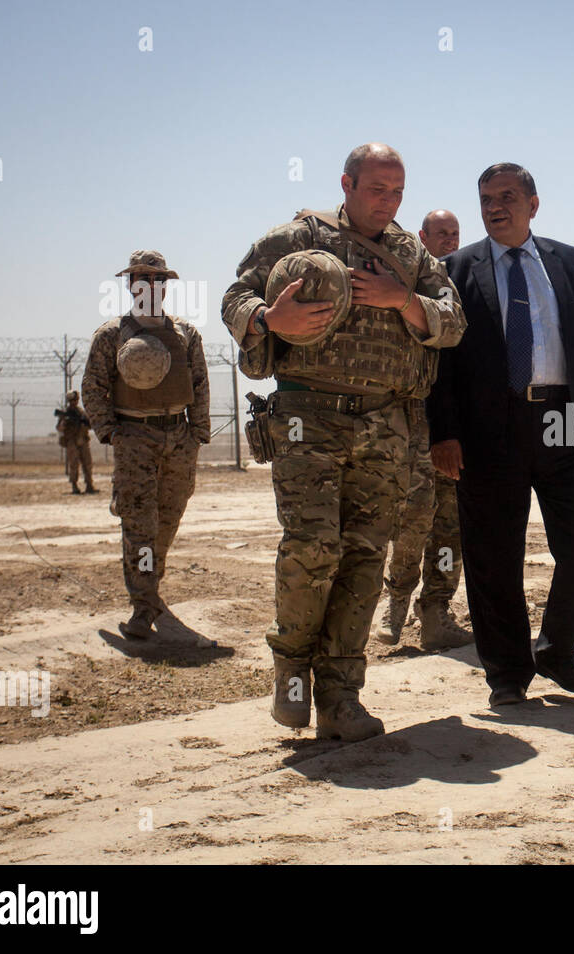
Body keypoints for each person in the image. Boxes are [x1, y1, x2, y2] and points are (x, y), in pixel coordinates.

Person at [221, 143, 465, 741]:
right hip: (308, 416)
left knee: (363, 555)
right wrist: (267, 321)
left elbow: (452, 321)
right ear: (347, 184)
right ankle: (292, 680)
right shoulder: (297, 239)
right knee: (311, 548)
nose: (389, 202)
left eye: (398, 192)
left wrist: (400, 299)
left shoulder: (409, 254)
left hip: (387, 424)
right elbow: (235, 298)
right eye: (378, 189)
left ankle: (340, 696)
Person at [428, 163, 574, 708]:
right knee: (494, 556)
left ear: (533, 205)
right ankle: (507, 674)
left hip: (567, 419)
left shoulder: (569, 261)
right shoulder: (455, 269)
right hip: (489, 430)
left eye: (508, 197)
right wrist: (442, 433)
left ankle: (558, 649)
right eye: (487, 199)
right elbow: (439, 361)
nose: (496, 207)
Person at [82, 250, 210, 639]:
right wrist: (112, 432)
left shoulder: (185, 334)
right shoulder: (112, 335)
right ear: (130, 285)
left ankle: (150, 585)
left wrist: (197, 433)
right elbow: (93, 389)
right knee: (139, 523)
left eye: (158, 280)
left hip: (178, 437)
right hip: (135, 437)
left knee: (167, 521)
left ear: (165, 287)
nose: (150, 286)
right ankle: (142, 604)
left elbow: (201, 384)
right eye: (142, 279)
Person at [380, 209, 472, 651]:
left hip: (454, 432)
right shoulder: (404, 289)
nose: (451, 240)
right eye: (442, 233)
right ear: (422, 237)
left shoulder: (460, 292)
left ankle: (436, 611)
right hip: (409, 428)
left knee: (451, 528)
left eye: (455, 233)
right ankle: (396, 600)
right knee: (411, 521)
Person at [57, 390, 96, 494]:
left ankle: (89, 485)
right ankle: (74, 486)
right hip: (72, 441)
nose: (74, 402)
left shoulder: (82, 413)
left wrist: (85, 423)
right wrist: (65, 423)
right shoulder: (66, 413)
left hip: (83, 440)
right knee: (74, 464)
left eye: (75, 400)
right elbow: (59, 428)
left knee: (87, 463)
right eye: (72, 400)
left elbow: (90, 425)